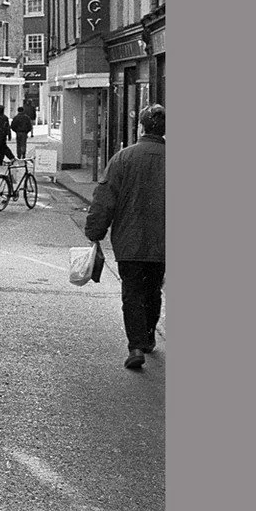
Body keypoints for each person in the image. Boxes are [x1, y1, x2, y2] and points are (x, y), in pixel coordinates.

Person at [84, 104, 166, 371]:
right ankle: (149, 336)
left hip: (129, 241)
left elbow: (104, 199)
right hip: (163, 241)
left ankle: (136, 346)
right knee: (153, 289)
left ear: (141, 127)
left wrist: (95, 232)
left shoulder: (123, 158)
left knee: (132, 292)